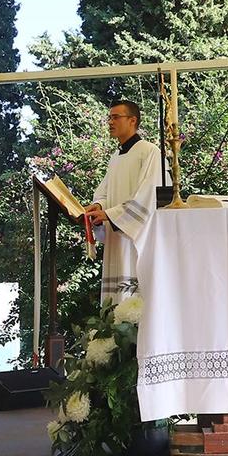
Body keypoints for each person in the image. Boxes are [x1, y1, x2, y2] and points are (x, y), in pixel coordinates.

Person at [82, 98, 161, 304]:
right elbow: (105, 192)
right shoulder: (115, 157)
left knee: (134, 302)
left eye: (116, 117)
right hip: (116, 240)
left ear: (132, 120)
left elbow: (149, 195)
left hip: (135, 240)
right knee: (114, 304)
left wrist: (109, 214)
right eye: (109, 117)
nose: (110, 122)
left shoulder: (150, 152)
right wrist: (98, 206)